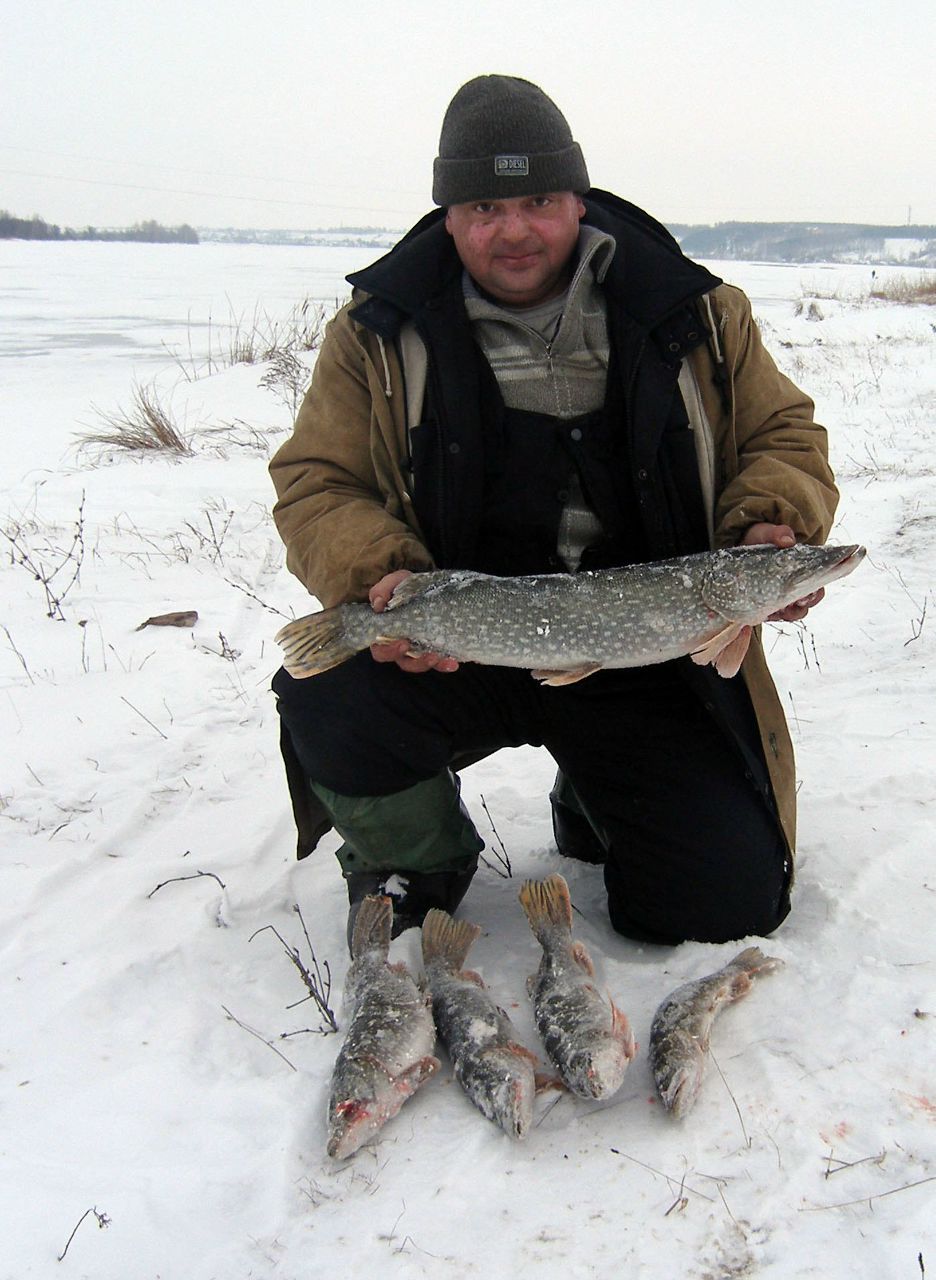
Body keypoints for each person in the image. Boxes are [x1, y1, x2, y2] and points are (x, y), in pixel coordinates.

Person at [269, 75, 838, 949]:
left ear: (578, 197)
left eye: (538, 198)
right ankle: (418, 857)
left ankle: (596, 796)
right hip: (456, 646)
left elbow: (782, 433)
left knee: (721, 908)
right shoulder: (376, 332)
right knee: (329, 699)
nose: (515, 229)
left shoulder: (695, 311)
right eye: (485, 205)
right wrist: (375, 574)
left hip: (641, 648)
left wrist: (770, 525)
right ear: (448, 216)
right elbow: (316, 479)